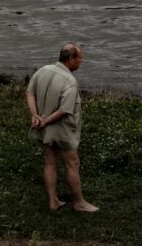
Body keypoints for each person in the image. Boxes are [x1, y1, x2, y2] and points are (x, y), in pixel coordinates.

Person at [25, 43, 99, 212]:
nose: (81, 62)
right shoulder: (70, 82)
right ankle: (79, 203)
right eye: (79, 58)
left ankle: (53, 201)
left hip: (43, 129)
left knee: (50, 162)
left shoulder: (43, 70)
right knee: (72, 164)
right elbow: (65, 110)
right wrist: (45, 121)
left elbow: (30, 92)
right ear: (71, 59)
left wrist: (36, 116)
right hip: (61, 131)